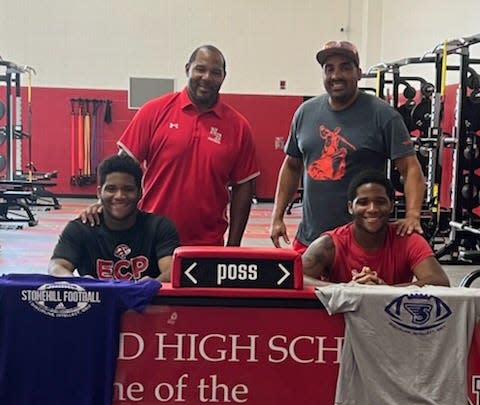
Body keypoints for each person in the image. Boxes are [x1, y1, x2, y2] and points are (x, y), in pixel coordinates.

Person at [82, 45, 259, 246]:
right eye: (200, 69)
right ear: (187, 69)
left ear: (223, 77)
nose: (207, 77)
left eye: (215, 72)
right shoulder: (154, 111)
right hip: (149, 239)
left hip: (207, 245)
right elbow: (122, 167)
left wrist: (233, 247)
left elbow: (243, 188)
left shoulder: (238, 127)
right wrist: (101, 204)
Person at [270, 40, 426, 253]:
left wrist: (413, 216)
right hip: (310, 238)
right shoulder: (305, 112)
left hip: (362, 243)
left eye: (345, 67)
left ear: (359, 73)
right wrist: (277, 216)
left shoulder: (383, 115)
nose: (336, 75)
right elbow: (291, 166)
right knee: (302, 285)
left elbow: (410, 168)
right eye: (329, 69)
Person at [302, 170, 449, 287]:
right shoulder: (329, 244)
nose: (372, 209)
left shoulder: (408, 240)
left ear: (391, 205)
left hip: (393, 322)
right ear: (350, 207)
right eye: (363, 202)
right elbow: (294, 277)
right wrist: (345, 290)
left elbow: (439, 281)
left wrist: (383, 292)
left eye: (380, 202)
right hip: (340, 321)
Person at [48, 155, 179, 281]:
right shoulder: (80, 229)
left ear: (140, 193)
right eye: (111, 189)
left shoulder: (159, 227)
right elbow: (57, 266)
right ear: (99, 192)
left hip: (146, 303)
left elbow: (171, 271)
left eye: (128, 189)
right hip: (98, 304)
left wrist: (151, 286)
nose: (119, 196)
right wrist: (80, 284)